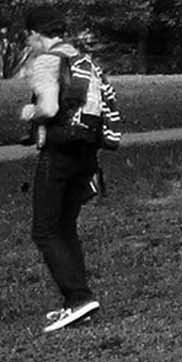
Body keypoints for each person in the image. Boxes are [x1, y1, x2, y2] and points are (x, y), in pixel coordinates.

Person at [16, 25, 115, 333]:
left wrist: (29, 113)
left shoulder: (47, 61)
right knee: (65, 227)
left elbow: (49, 107)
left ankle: (77, 298)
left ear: (35, 32)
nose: (27, 42)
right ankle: (80, 301)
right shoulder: (86, 62)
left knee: (44, 230)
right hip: (86, 152)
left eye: (27, 35)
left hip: (58, 151)